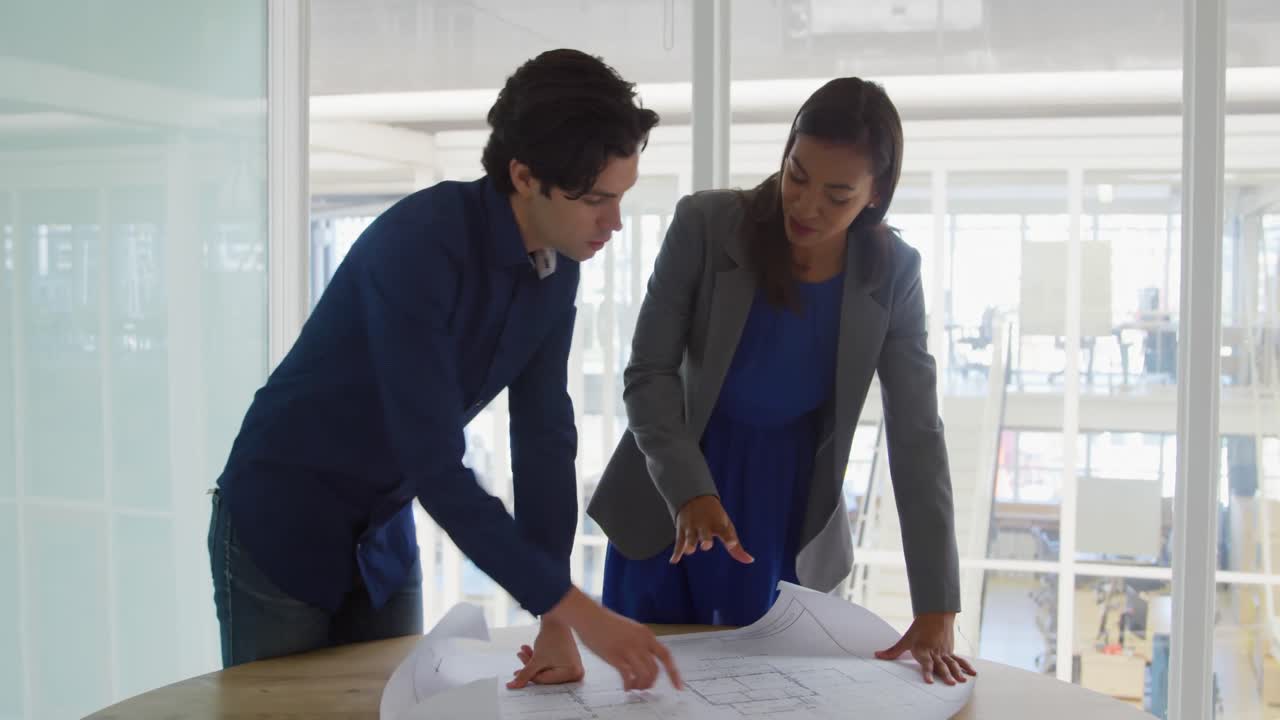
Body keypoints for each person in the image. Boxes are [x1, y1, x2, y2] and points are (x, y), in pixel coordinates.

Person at [209, 48, 682, 693]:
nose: (614, 224)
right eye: (595, 199)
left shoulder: (556, 264)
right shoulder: (420, 246)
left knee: (393, 705)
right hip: (283, 521)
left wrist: (556, 617)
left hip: (380, 530)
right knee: (286, 711)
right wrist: (582, 611)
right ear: (523, 176)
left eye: (621, 197)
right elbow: (437, 464)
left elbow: (543, 440)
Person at [587, 77, 977, 686]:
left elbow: (917, 437)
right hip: (672, 482)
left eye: (838, 194)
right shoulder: (707, 223)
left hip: (784, 509)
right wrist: (691, 491)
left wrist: (937, 603)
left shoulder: (894, 273)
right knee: (642, 691)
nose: (806, 205)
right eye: (797, 175)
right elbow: (649, 372)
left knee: (763, 691)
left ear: (876, 197)